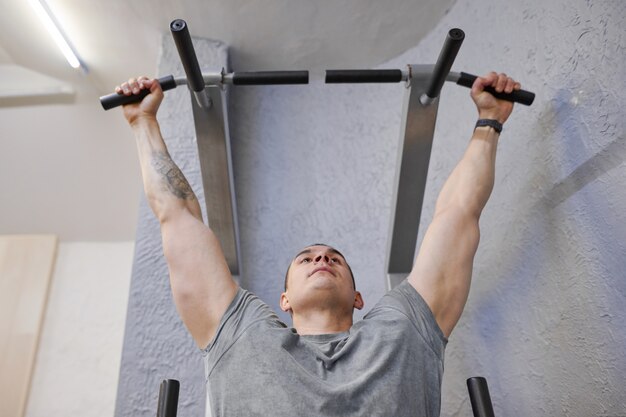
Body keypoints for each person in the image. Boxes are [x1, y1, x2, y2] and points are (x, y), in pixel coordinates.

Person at [117, 71, 520, 417]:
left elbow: (459, 215)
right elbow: (179, 218)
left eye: (334, 258)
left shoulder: (402, 330)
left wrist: (490, 120)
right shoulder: (243, 334)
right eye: (306, 258)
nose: (322, 257)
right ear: (284, 299)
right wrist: (142, 120)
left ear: (359, 298)